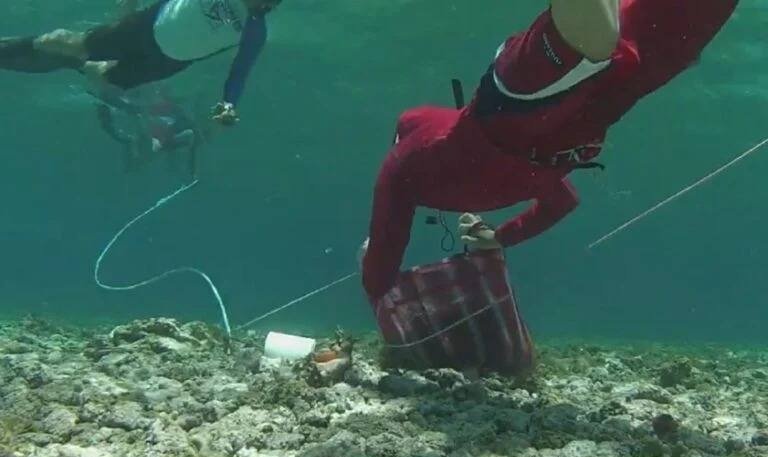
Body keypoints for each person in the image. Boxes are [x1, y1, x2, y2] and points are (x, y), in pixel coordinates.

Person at [360, 0, 739, 304]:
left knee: (593, 46)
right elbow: (562, 203)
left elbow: (386, 242)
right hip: (569, 125)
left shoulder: (403, 167)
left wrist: (374, 280)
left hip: (507, 111)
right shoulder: (418, 170)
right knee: (669, 25)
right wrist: (497, 239)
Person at [0, 0, 280, 125]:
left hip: (167, 61)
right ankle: (23, 46)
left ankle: (74, 63)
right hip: (146, 27)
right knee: (67, 42)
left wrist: (228, 105)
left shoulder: (255, 31)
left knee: (106, 79)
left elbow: (240, 72)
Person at [94, 85, 207, 175]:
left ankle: (190, 172)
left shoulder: (158, 109)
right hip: (152, 131)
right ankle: (188, 172)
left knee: (187, 136)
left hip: (156, 130)